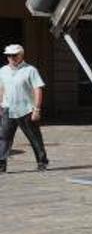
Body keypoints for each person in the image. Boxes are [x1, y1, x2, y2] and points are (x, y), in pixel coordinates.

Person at [0, 44, 49, 174]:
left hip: (26, 109)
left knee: (34, 137)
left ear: (21, 55)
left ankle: (42, 161)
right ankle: (1, 164)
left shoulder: (30, 70)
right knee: (4, 138)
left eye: (14, 55)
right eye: (8, 56)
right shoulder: (3, 70)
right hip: (8, 109)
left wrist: (37, 109)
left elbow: (38, 89)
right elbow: (2, 88)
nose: (11, 58)